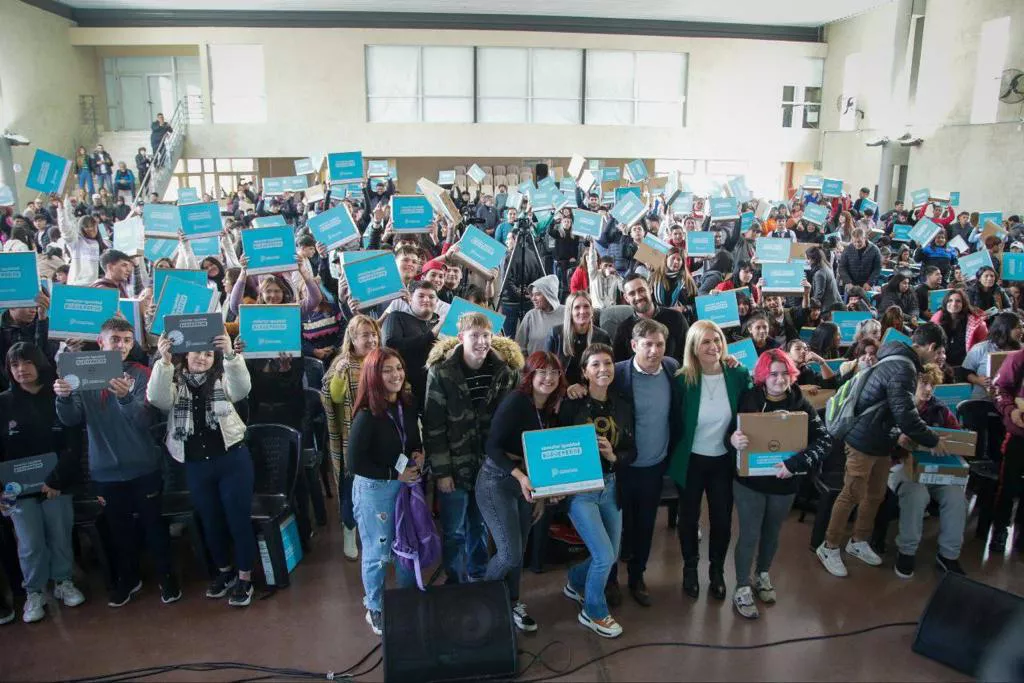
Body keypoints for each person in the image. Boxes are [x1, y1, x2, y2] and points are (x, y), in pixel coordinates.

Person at [54, 318, 180, 606]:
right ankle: (129, 579)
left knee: (153, 526)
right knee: (119, 531)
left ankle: (167, 577)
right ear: (101, 342)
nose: (121, 345)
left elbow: (145, 420)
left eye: (126, 340)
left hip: (143, 466)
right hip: (105, 472)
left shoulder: (143, 373)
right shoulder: (82, 371)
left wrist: (125, 398)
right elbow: (72, 418)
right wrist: (62, 397)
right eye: (114, 339)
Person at [816, 323, 947, 578]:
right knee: (851, 493)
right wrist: (933, 439)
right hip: (863, 439)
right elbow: (906, 416)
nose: (939, 358)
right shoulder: (903, 368)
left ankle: (858, 541)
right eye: (939, 352)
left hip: (881, 439)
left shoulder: (899, 360)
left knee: (875, 494)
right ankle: (829, 546)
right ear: (931, 347)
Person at [147, 333, 257, 607]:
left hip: (232, 461)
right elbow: (157, 399)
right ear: (186, 355)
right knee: (210, 521)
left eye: (208, 354)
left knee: (238, 520)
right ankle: (224, 572)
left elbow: (241, 389)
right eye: (197, 353)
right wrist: (163, 361)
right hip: (197, 466)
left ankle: (245, 577)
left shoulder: (222, 379)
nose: (202, 358)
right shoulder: (174, 381)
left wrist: (231, 356)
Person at [728, 349, 831, 618]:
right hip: (749, 482)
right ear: (763, 375)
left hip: (784, 483)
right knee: (749, 534)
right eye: (773, 373)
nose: (779, 379)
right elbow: (730, 429)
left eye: (785, 373)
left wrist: (794, 465)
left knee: (772, 533)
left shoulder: (801, 404)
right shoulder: (748, 398)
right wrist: (733, 440)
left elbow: (824, 441)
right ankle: (741, 586)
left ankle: (762, 574)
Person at [424, 313, 522, 585]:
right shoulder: (441, 372)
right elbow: (434, 426)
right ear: (460, 338)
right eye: (474, 335)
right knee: (453, 531)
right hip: (454, 467)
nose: (481, 342)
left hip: (488, 468)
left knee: (479, 526)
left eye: (486, 335)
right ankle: (455, 580)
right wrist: (442, 472)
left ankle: (478, 576)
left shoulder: (506, 372)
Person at [478, 351, 566, 632]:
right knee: (509, 554)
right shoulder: (517, 401)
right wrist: (520, 477)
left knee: (519, 548)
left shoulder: (550, 406)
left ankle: (512, 601)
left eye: (554, 373)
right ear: (530, 375)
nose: (548, 378)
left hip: (526, 484)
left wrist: (540, 491)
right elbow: (491, 446)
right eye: (542, 372)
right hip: (497, 480)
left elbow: (542, 453)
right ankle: (483, 600)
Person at [0, 344, 85, 623]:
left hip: (56, 485)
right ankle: (35, 591)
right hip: (18, 491)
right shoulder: (3, 403)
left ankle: (63, 582)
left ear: (39, 364)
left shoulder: (58, 395)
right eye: (14, 365)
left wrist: (57, 479)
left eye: (26, 363)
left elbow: (73, 444)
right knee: (30, 543)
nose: (21, 370)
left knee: (60, 535)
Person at [671, 320, 753, 601]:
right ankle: (690, 568)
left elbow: (753, 405)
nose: (713, 346)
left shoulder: (737, 374)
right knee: (688, 518)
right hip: (691, 460)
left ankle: (716, 570)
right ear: (693, 346)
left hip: (722, 461)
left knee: (721, 520)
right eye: (705, 341)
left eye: (716, 340)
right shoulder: (683, 379)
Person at [558, 343, 635, 638]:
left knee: (611, 554)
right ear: (584, 372)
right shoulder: (571, 404)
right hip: (582, 491)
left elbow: (632, 448)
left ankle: (576, 580)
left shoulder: (623, 403)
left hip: (612, 485)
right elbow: (557, 447)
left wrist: (614, 456)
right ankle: (594, 611)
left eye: (608, 363)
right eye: (595, 365)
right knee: (603, 555)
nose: (603, 369)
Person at [347, 348, 422, 635]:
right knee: (378, 553)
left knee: (406, 542)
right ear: (374, 376)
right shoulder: (367, 415)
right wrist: (395, 474)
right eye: (387, 370)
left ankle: (405, 598)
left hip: (404, 484)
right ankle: (375, 607)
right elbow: (356, 463)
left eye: (399, 368)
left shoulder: (406, 403)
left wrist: (418, 452)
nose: (396, 375)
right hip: (375, 490)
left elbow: (412, 438)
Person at [890, 363, 967, 578]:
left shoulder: (940, 410)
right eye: (924, 383)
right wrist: (898, 440)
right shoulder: (897, 407)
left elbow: (958, 438)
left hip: (935, 469)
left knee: (956, 497)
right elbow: (881, 439)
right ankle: (907, 551)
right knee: (916, 494)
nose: (928, 389)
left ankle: (948, 555)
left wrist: (948, 443)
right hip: (900, 467)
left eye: (932, 384)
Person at [324, 315, 382, 561]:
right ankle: (350, 529)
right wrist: (338, 375)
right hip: (352, 438)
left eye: (373, 334)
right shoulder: (342, 363)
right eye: (364, 335)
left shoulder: (383, 359)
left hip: (379, 436)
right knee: (350, 490)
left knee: (380, 488)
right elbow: (334, 398)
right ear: (352, 339)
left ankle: (379, 531)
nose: (370, 339)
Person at [382, 280, 441, 409]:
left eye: (431, 297)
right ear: (410, 299)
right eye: (421, 296)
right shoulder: (396, 317)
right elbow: (391, 346)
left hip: (438, 393)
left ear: (437, 302)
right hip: (406, 394)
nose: (426, 300)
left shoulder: (442, 323)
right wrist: (431, 335)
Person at [611, 274, 688, 363]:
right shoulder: (623, 329)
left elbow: (688, 353)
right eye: (632, 294)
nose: (638, 297)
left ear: (650, 289)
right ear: (626, 298)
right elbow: (620, 364)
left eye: (641, 290)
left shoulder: (676, 318)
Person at [992, 347, 1024, 552]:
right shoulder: (1018, 358)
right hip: (1019, 434)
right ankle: (1000, 530)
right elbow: (999, 388)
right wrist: (1010, 410)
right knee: (1009, 485)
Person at [545, 291, 611, 387]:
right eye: (577, 307)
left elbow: (607, 369)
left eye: (586, 306)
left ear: (592, 310)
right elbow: (548, 368)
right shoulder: (556, 334)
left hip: (592, 388)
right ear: (570, 312)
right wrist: (567, 389)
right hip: (561, 389)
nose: (582, 311)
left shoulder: (602, 336)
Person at [962, 312, 1023, 400]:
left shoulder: (1022, 350)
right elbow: (965, 371)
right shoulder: (981, 348)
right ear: (1005, 329)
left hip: (1015, 401)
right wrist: (978, 380)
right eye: (1018, 327)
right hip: (984, 400)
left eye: (1022, 327)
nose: (1022, 331)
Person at [930, 289, 988, 367]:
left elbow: (985, 347)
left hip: (967, 365)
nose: (953, 304)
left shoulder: (977, 324)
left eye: (958, 301)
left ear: (964, 304)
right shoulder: (936, 319)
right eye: (950, 300)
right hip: (941, 363)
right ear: (945, 303)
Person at [57, 197, 105, 286]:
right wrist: (61, 209)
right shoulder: (76, 242)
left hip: (95, 289)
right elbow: (66, 229)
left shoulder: (102, 244)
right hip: (76, 287)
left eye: (93, 225)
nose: (90, 229)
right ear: (81, 229)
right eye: (86, 226)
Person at [515, 274, 563, 356]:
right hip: (535, 367)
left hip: (561, 367)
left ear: (549, 294)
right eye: (532, 295)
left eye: (537, 294)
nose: (533, 298)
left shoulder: (567, 312)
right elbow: (519, 347)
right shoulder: (530, 316)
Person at [806, 246, 841, 311]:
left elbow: (818, 295)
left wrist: (810, 308)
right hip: (835, 303)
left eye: (808, 259)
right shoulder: (826, 266)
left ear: (813, 259)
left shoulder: (820, 273)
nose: (807, 261)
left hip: (828, 309)